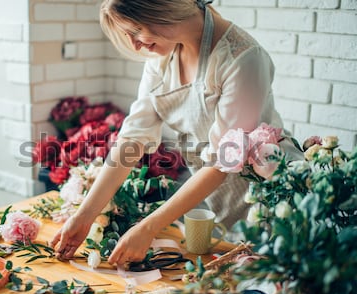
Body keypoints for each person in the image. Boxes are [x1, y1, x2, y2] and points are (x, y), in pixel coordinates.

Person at [50, 0, 299, 265]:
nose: (135, 45)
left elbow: (221, 162)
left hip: (272, 200)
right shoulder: (160, 59)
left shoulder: (242, 58)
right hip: (222, 203)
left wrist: (148, 228)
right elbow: (133, 139)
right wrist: (84, 216)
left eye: (136, 31)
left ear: (161, 8)